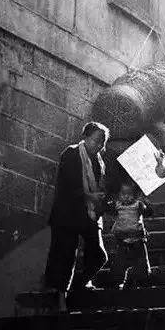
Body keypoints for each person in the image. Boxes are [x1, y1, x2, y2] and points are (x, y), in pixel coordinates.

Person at [43, 122, 110, 311]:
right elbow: (67, 185)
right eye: (96, 141)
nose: (99, 145)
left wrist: (101, 199)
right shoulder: (71, 154)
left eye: (102, 142)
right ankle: (60, 298)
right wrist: (90, 196)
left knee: (99, 255)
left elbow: (100, 186)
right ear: (86, 137)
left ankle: (78, 285)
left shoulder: (99, 161)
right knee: (64, 255)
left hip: (89, 213)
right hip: (67, 213)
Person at [108, 181, 153, 289]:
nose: (126, 196)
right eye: (123, 194)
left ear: (135, 195)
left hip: (137, 237)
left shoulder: (138, 204)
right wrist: (108, 202)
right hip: (122, 238)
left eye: (129, 194)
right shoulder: (117, 205)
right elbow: (110, 212)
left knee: (141, 261)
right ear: (119, 195)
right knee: (120, 262)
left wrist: (146, 203)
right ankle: (119, 280)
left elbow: (148, 213)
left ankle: (141, 279)